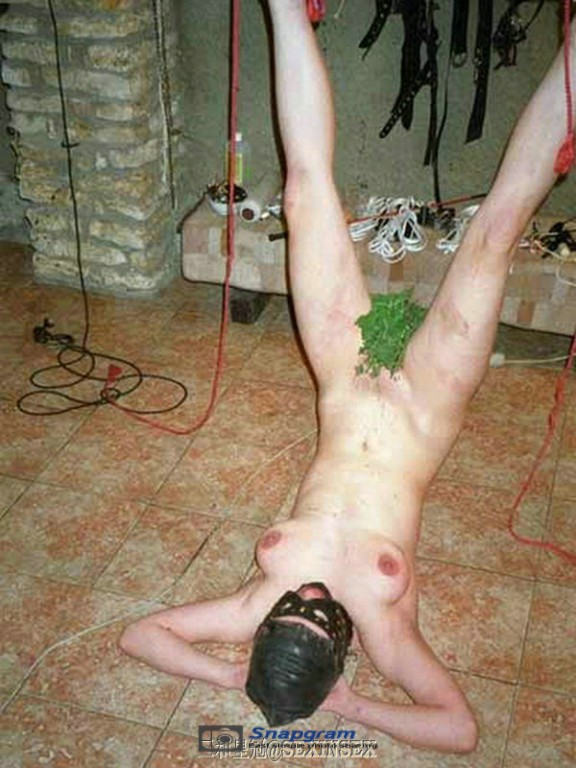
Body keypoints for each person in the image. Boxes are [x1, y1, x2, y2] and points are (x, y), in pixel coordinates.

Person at [120, 1, 575, 753]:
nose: (308, 594)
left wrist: (229, 675)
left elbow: (142, 635)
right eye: (319, 614)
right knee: (496, 231)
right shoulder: (387, 636)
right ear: (340, 649)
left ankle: (285, 9)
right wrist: (357, 707)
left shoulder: (249, 609)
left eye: (290, 608)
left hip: (344, 382)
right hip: (424, 408)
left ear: (267, 626)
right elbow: (458, 729)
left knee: (304, 195)